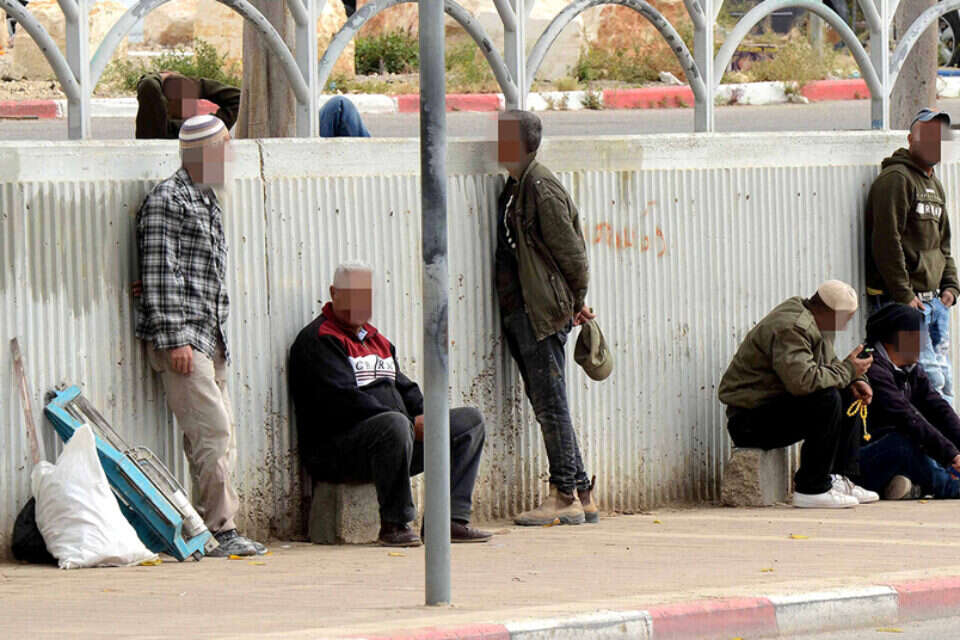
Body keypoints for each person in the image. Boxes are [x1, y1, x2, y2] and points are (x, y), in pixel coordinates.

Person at [288, 263, 492, 547]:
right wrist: (407, 423)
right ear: (334, 293)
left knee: (469, 422)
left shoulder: (376, 340)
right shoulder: (319, 339)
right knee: (394, 424)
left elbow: (404, 387)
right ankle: (395, 524)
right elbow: (343, 402)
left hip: (395, 442)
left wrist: (424, 415)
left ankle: (449, 520)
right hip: (339, 451)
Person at [135, 114, 266, 557]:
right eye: (224, 147)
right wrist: (175, 339)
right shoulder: (168, 201)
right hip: (185, 340)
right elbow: (160, 274)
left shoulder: (206, 200)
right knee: (213, 431)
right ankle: (220, 531)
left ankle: (214, 528)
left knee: (217, 434)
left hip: (209, 339)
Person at [495, 109, 599, 527]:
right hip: (526, 309)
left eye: (503, 138)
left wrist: (572, 303)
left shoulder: (540, 186)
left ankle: (564, 496)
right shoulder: (518, 183)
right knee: (549, 403)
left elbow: (574, 256)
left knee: (550, 406)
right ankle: (583, 494)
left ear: (521, 145)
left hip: (541, 312)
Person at [718, 281, 879, 508]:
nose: (845, 325)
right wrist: (848, 371)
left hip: (774, 410)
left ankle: (838, 478)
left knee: (847, 393)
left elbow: (831, 366)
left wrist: (856, 378)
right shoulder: (792, 328)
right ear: (829, 312)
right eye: (846, 318)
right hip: (749, 422)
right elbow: (802, 382)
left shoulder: (818, 324)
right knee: (827, 399)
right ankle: (811, 488)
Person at [866, 108, 958, 402]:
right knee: (928, 381)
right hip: (904, 305)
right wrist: (904, 295)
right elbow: (885, 240)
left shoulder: (934, 184)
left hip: (935, 304)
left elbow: (943, 243)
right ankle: (941, 447)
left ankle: (947, 444)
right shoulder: (896, 179)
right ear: (911, 139)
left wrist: (952, 287)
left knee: (944, 378)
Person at [858, 304, 960, 500]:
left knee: (928, 448)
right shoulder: (871, 368)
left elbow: (939, 409)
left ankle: (912, 487)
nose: (923, 344)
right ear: (896, 337)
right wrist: (952, 455)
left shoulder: (910, 368)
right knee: (904, 444)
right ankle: (949, 487)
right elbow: (907, 417)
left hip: (886, 456)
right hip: (859, 463)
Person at [135, 71, 240, 140]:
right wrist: (197, 85)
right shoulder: (205, 129)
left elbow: (148, 84)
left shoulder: (155, 130)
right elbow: (237, 97)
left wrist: (160, 76)